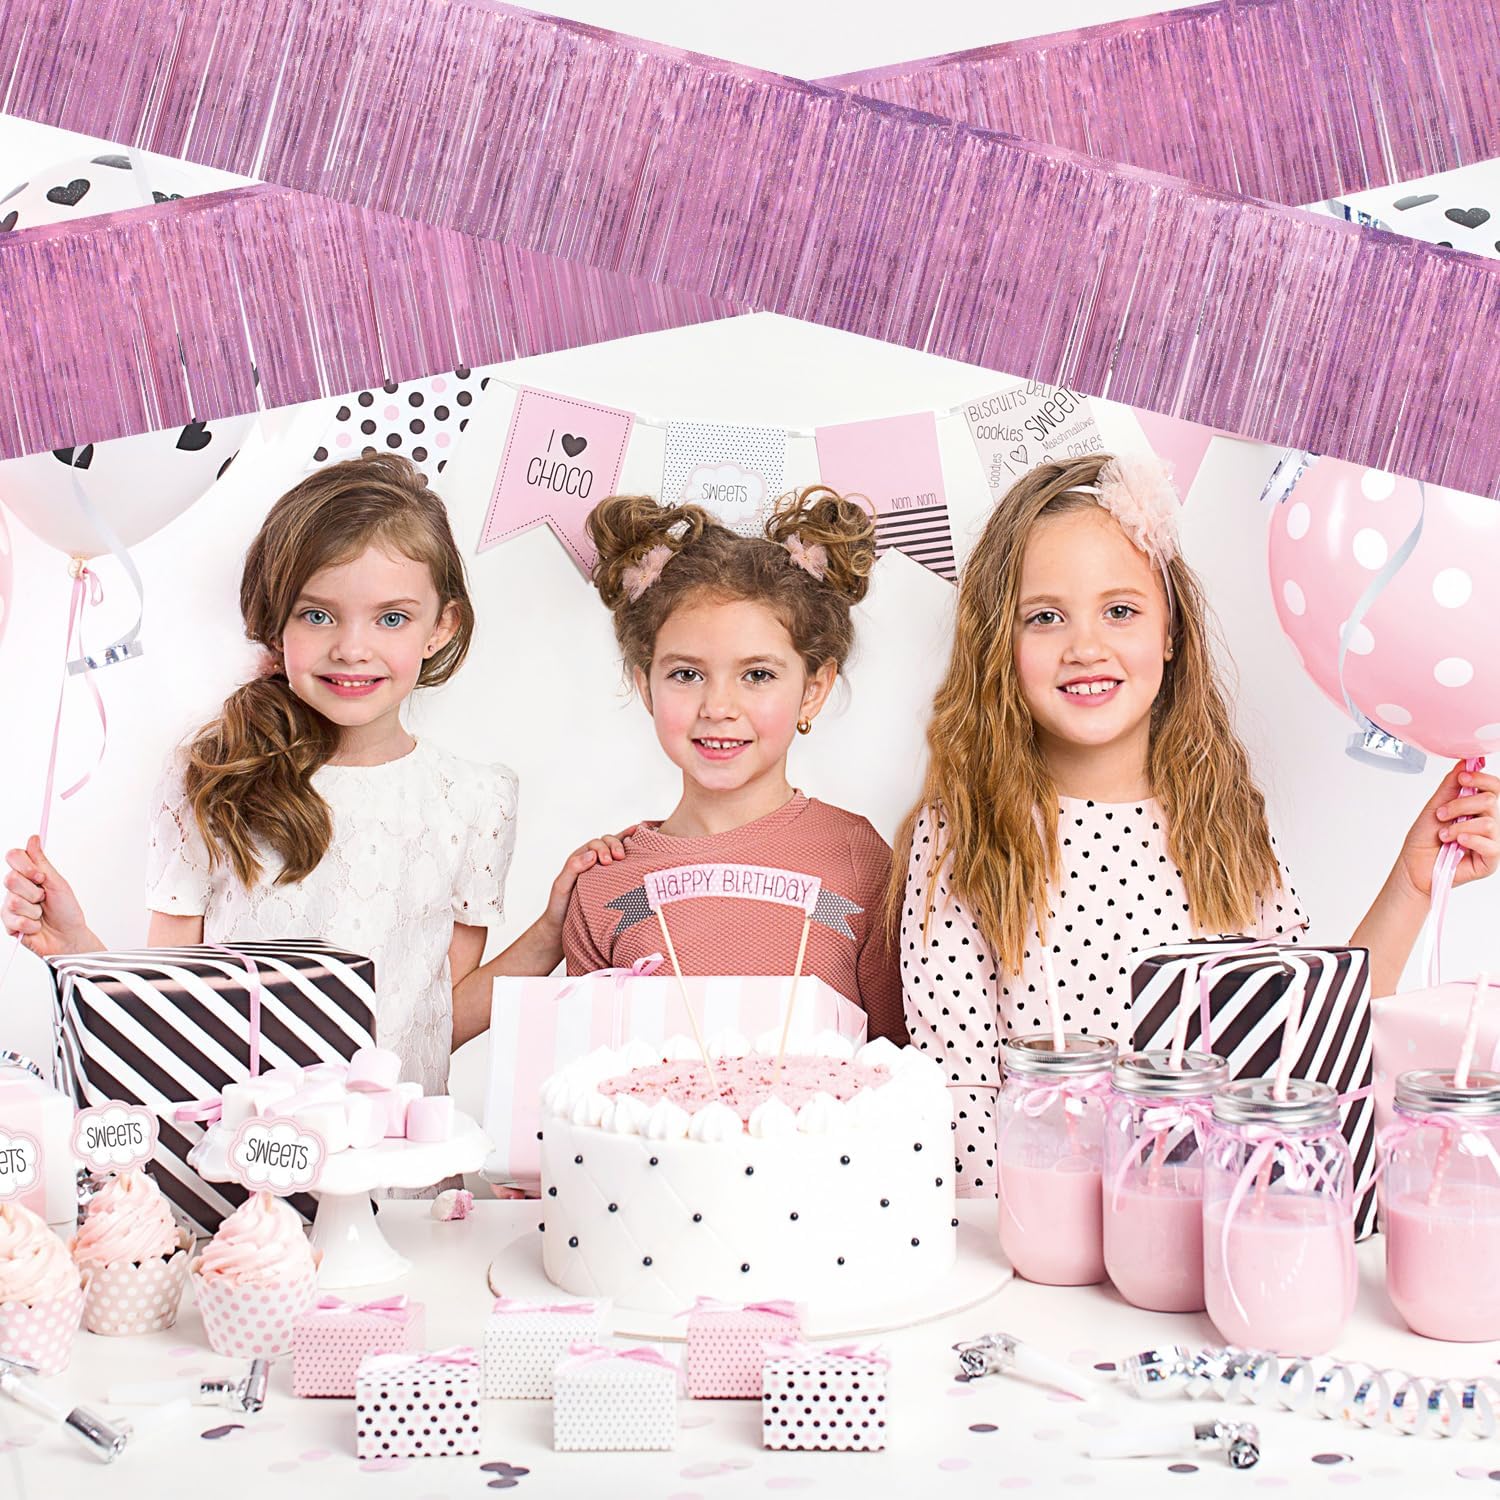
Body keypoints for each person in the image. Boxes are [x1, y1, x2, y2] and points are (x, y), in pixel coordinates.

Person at [897, 452, 1499, 1195]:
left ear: (1171, 632)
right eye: (1045, 617)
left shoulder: (1223, 822)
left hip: (1223, 1225)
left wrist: (1412, 885)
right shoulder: (964, 835)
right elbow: (960, 1098)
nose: (1086, 647)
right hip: (1047, 1241)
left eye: (1120, 611)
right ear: (1001, 645)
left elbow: (1312, 1045)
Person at [4, 454, 625, 1097]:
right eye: (318, 614)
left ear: (441, 626)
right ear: (276, 623)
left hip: (394, 1147)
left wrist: (553, 927)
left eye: (391, 617)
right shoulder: (214, 777)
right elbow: (171, 1012)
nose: (352, 648)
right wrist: (74, 944)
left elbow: (439, 1021)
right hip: (244, 1146)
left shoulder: (476, 801)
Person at [563, 487, 907, 1043]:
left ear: (813, 690)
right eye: (687, 674)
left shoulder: (858, 859)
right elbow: (586, 1075)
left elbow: (901, 1061)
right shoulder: (605, 883)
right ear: (645, 686)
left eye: (757, 675)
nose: (718, 707)